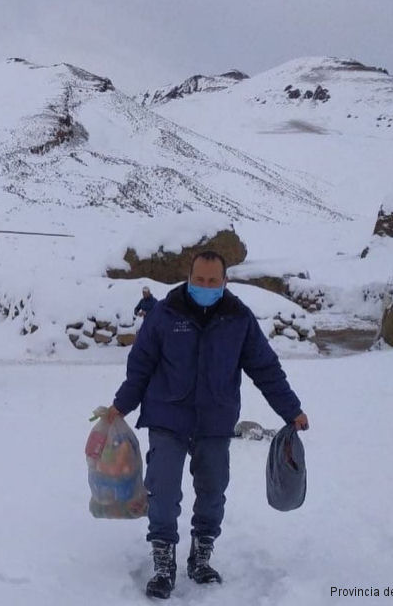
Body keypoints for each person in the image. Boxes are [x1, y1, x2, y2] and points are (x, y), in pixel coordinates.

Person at [106, 251, 309, 600]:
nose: (205, 285)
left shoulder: (238, 318)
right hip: (167, 416)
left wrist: (291, 410)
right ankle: (163, 560)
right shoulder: (165, 314)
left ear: (224, 282)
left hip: (215, 419)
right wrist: (120, 406)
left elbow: (265, 368)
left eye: (213, 281)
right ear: (189, 277)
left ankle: (201, 554)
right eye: (199, 279)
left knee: (213, 490)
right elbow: (140, 365)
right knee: (164, 490)